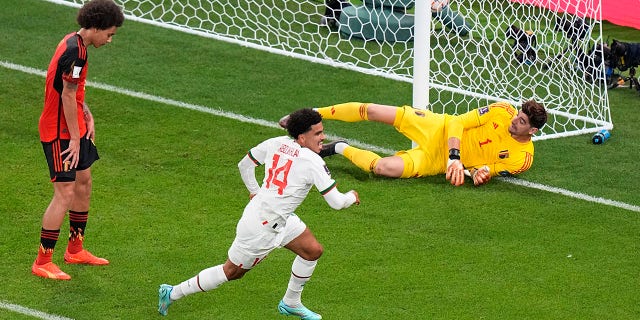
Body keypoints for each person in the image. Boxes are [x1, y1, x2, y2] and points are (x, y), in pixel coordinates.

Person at [158, 108, 360, 319]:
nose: (323, 137)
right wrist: (352, 196)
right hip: (260, 228)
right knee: (231, 272)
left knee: (312, 250)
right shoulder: (313, 163)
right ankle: (172, 292)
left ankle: (291, 302)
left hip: (278, 217)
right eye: (318, 134)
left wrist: (255, 192)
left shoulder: (276, 143)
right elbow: (337, 203)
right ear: (302, 137)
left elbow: (244, 165)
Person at [32, 0, 124, 280]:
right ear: (95, 27)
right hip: (59, 132)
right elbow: (66, 95)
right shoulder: (76, 52)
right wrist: (74, 136)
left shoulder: (76, 44)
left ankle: (75, 249)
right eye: (109, 34)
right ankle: (43, 260)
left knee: (84, 183)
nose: (109, 40)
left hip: (74, 126)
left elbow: (72, 89)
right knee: (65, 193)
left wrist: (87, 116)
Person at [281, 101, 547, 186]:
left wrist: (475, 172)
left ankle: (338, 147)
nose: (515, 121)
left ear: (532, 131)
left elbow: (483, 169)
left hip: (436, 160)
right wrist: (455, 154)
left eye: (522, 122)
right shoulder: (502, 110)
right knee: (372, 111)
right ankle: (309, 113)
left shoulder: (522, 159)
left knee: (383, 169)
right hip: (437, 126)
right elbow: (456, 122)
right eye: (518, 116)